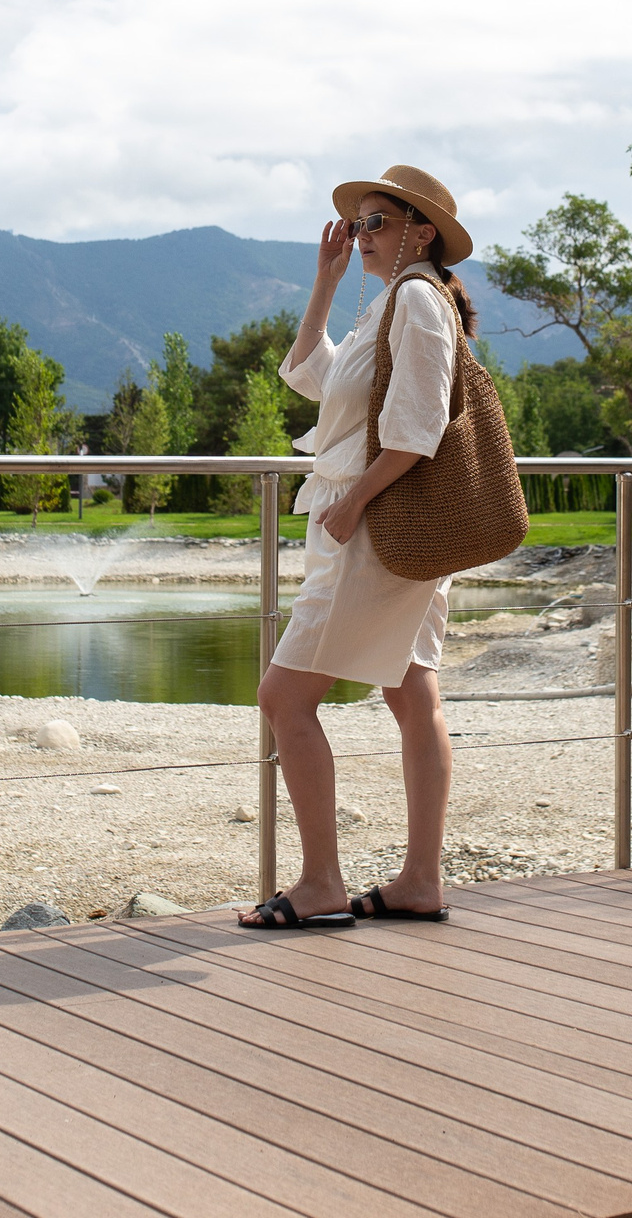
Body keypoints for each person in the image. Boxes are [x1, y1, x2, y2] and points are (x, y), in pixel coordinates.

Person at [239, 164, 481, 930]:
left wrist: (352, 505)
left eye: (376, 223)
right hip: (387, 527)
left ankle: (320, 885)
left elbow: (418, 425)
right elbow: (313, 375)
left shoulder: (414, 298)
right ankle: (419, 881)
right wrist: (325, 278)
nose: (361, 234)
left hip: (373, 526)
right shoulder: (392, 303)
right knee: (413, 694)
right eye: (357, 223)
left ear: (422, 231)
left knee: (283, 697)